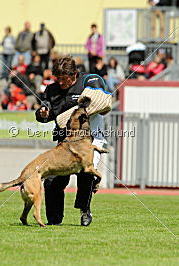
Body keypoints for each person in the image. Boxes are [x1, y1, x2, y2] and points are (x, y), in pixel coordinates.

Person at [35, 55, 107, 226]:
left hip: (88, 140)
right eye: (57, 79)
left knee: (86, 174)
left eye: (64, 79)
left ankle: (84, 210)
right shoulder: (51, 90)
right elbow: (46, 114)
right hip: (64, 143)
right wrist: (42, 113)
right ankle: (54, 220)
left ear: (74, 74)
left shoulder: (87, 81)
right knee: (52, 180)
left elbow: (103, 99)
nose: (61, 83)